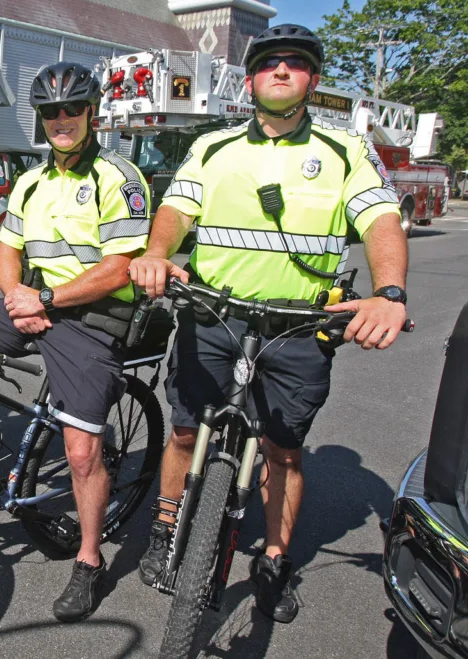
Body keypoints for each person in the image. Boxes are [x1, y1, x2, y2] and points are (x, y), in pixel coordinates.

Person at [128, 24, 408, 624]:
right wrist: (156, 253)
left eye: (297, 63)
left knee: (283, 451)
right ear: (250, 79)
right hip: (212, 314)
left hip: (298, 327)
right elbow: (176, 211)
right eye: (270, 63)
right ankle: (166, 524)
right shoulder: (213, 147)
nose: (282, 70)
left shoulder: (346, 151)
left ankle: (275, 559)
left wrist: (389, 292)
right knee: (183, 433)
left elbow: (383, 220)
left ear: (311, 80)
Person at [0, 62, 152, 622]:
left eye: (71, 109)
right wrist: (19, 297)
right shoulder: (32, 181)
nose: (61, 119)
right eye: (50, 112)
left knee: (82, 451)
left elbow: (119, 268)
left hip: (91, 319)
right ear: (41, 119)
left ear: (91, 114)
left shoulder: (120, 176)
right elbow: (8, 252)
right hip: (35, 306)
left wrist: (49, 301)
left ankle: (89, 560)